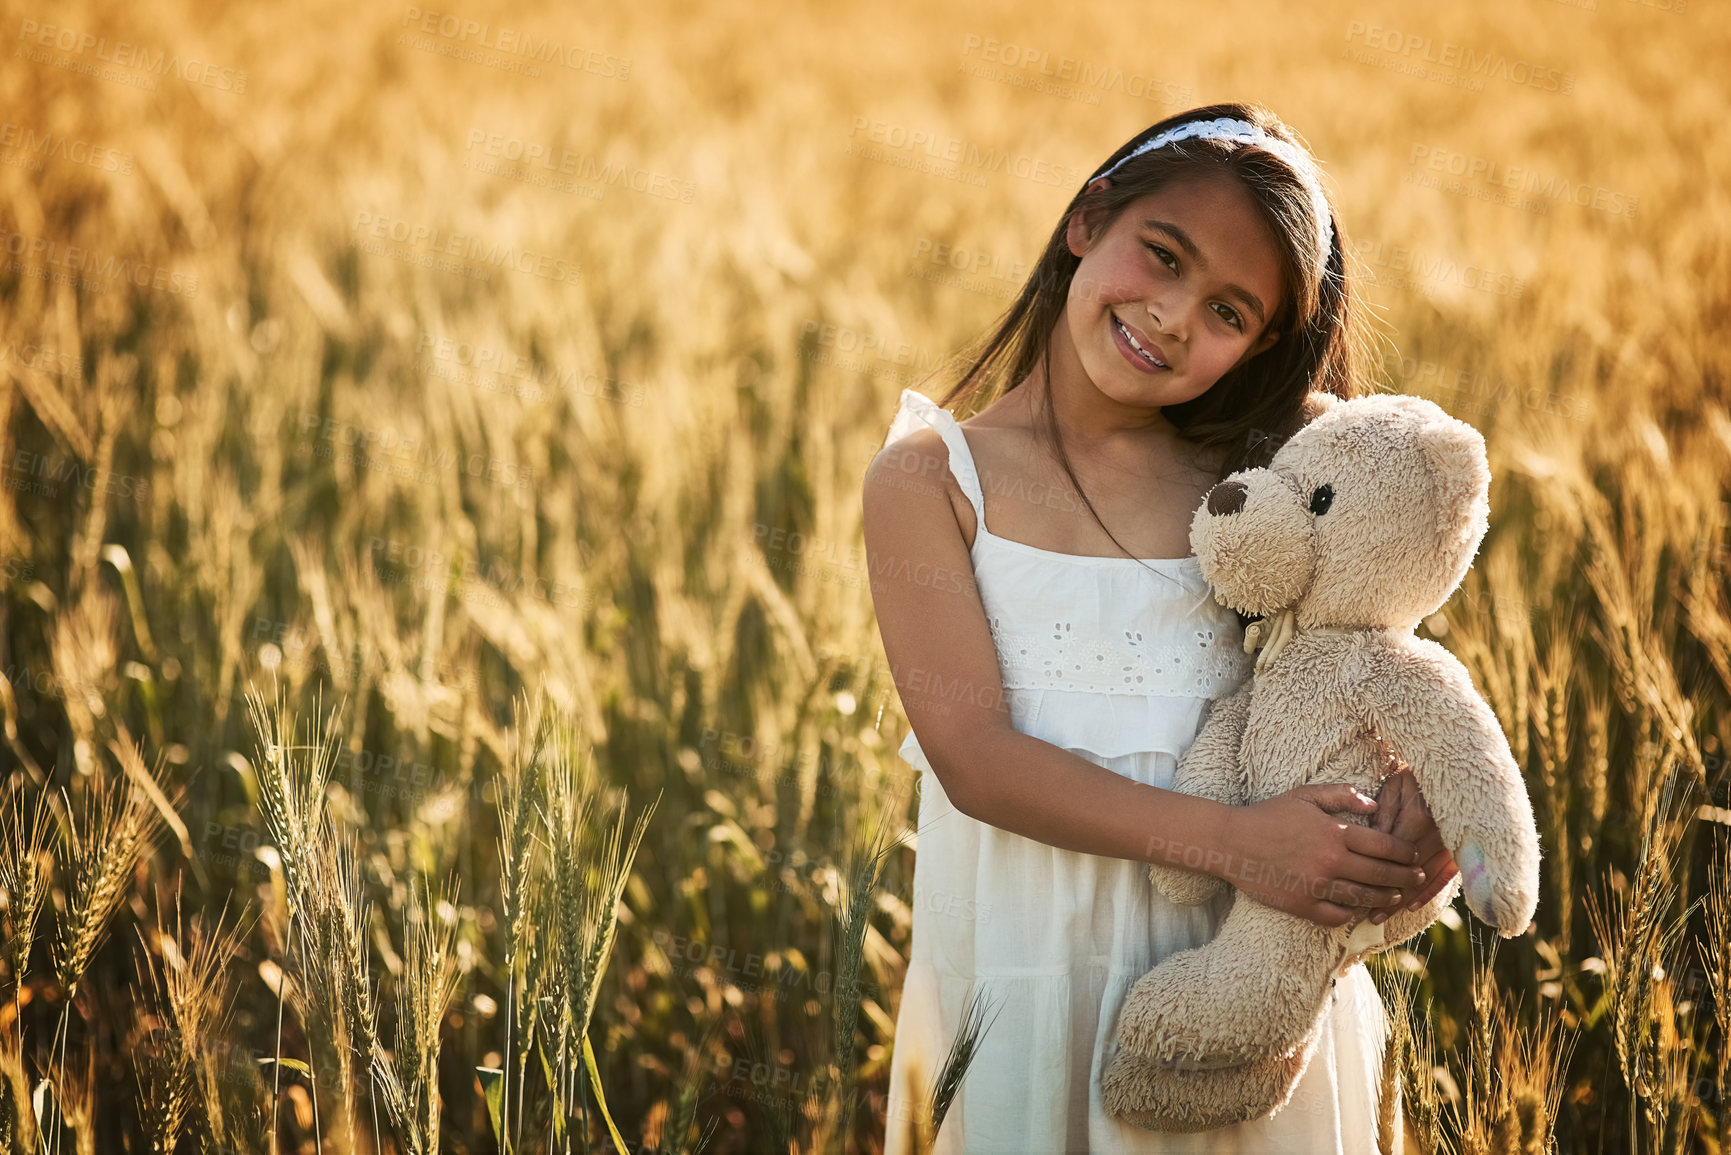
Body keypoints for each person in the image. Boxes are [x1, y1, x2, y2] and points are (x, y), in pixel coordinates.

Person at [865, 103, 1460, 1153]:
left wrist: (1422, 815)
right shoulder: (932, 481)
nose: (1177, 318)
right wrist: (1239, 845)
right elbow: (979, 762)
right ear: (1089, 220)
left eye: (1230, 312)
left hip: (1245, 1004)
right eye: (1164, 257)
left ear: (1264, 348)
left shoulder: (1271, 483)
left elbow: (1378, 664)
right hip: (1027, 986)